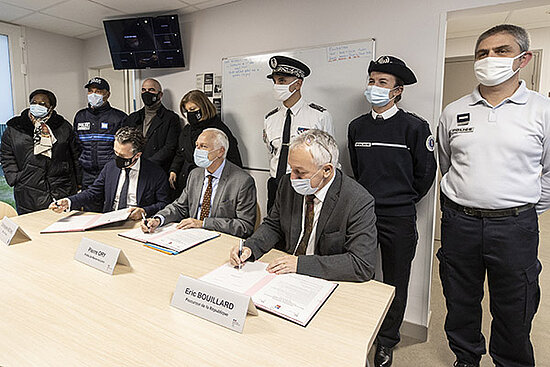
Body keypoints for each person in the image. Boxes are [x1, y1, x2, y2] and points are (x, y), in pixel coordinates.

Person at [437, 24, 549, 367]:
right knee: (460, 301)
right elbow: (446, 163)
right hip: (460, 224)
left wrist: (522, 208)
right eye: (482, 53)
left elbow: (549, 172)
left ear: (524, 59)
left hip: (515, 227)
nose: (490, 59)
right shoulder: (453, 111)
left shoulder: (541, 110)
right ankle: (466, 358)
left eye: (501, 51)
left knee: (515, 305)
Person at [348, 55, 436, 367]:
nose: (373, 87)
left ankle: (387, 342)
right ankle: (361, 331)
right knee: (359, 274)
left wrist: (401, 199)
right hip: (363, 216)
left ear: (397, 91)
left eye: (382, 82)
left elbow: (425, 175)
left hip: (399, 217)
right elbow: (358, 172)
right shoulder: (357, 128)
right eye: (371, 80)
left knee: (396, 280)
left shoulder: (414, 127)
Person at [229, 129, 377, 282]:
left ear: (327, 170)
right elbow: (273, 225)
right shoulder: (287, 184)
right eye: (291, 169)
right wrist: (250, 247)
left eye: (300, 172)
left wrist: (300, 265)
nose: (292, 177)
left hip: (326, 279)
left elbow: (361, 264)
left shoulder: (357, 200)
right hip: (286, 275)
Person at [143, 128, 256, 238]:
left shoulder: (242, 181)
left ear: (220, 151)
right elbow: (180, 207)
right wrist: (158, 219)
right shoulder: (195, 174)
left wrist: (203, 224)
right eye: (197, 145)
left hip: (221, 240)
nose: (197, 150)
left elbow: (244, 226)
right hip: (192, 236)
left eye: (204, 146)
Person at [50, 127, 169, 219]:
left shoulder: (155, 173)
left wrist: (145, 211)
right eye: (115, 152)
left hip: (137, 224)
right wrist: (69, 202)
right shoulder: (110, 167)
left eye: (122, 156)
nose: (117, 158)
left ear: (137, 155)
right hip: (110, 220)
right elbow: (93, 192)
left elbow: (164, 203)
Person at [264, 55, 334, 212]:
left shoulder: (319, 116)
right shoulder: (270, 118)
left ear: (298, 83)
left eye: (282, 81)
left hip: (304, 185)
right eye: (275, 81)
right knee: (273, 230)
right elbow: (272, 154)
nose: (277, 86)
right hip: (276, 184)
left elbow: (330, 158)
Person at [0, 89, 81, 215]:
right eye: (34, 102)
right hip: (28, 189)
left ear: (51, 107)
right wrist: (15, 177)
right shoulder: (15, 127)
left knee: (60, 228)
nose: (37, 106)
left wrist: (78, 182)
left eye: (42, 104)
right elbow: (6, 155)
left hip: (61, 187)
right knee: (32, 227)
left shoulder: (63, 126)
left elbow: (74, 155)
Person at [169, 90, 242, 197]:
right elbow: (181, 152)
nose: (190, 113)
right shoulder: (187, 129)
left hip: (210, 184)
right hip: (187, 182)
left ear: (203, 107)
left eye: (193, 109)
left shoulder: (218, 130)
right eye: (187, 110)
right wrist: (174, 169)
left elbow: (233, 160)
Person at [73, 77, 127, 211]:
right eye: (90, 91)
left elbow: (124, 150)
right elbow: (76, 147)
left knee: (111, 210)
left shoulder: (119, 117)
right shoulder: (80, 117)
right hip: (88, 175)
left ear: (107, 94)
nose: (93, 95)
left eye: (98, 91)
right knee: (90, 213)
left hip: (111, 172)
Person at [122, 78, 181, 174]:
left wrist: (149, 163)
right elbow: (125, 142)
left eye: (151, 90)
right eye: (143, 90)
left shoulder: (170, 118)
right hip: (134, 168)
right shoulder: (133, 118)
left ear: (160, 95)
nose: (147, 93)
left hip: (158, 169)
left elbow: (170, 147)